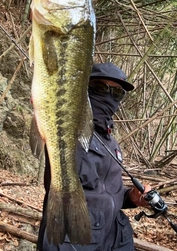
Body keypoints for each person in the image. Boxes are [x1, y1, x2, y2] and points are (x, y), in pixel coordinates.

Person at [37, 62, 151, 251]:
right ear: (84, 88)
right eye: (100, 88)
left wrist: (132, 197)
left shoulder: (111, 143)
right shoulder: (67, 131)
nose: (109, 97)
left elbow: (107, 192)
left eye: (117, 93)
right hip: (73, 240)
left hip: (114, 239)